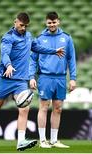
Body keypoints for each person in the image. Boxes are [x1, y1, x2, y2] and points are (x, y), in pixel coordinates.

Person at [0, 12, 64, 151]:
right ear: (15, 22)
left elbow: (37, 47)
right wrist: (9, 65)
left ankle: (21, 141)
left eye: (26, 26)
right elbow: (5, 54)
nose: (23, 28)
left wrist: (53, 51)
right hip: (5, 79)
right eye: (21, 25)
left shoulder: (29, 36)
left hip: (20, 81)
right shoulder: (8, 38)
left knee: (25, 108)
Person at [29, 12, 76, 148]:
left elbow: (71, 59)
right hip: (45, 77)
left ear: (58, 22)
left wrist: (73, 78)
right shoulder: (39, 39)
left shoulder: (66, 38)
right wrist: (31, 77)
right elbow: (33, 60)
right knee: (44, 107)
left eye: (54, 22)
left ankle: (54, 140)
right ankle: (43, 140)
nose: (52, 25)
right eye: (49, 22)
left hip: (61, 77)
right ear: (46, 23)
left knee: (58, 108)